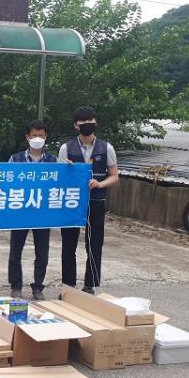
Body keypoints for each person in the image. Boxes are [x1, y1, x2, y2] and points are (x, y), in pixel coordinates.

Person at [58, 106, 119, 294]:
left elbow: (114, 176)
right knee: (69, 245)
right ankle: (68, 286)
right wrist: (65, 168)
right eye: (83, 121)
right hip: (72, 202)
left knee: (94, 244)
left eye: (90, 120)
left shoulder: (106, 148)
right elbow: (58, 177)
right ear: (76, 125)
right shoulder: (66, 148)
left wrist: (100, 184)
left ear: (95, 122)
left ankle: (90, 285)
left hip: (96, 202)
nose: (87, 124)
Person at [7, 120, 57, 301]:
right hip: (20, 211)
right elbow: (6, 182)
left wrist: (69, 168)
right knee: (15, 251)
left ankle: (38, 287)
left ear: (46, 137)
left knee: (42, 252)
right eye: (34, 135)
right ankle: (16, 286)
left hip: (42, 213)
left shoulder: (53, 161)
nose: (37, 139)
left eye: (41, 136)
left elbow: (60, 183)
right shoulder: (15, 159)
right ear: (27, 137)